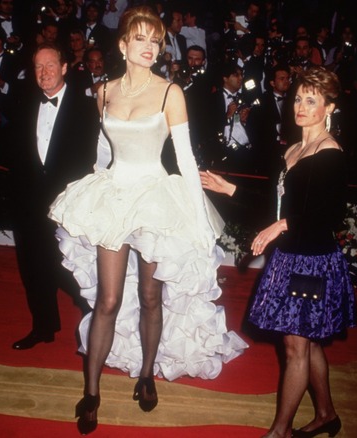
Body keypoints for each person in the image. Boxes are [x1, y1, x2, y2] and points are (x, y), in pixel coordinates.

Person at [47, 6, 248, 435]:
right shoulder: (103, 91)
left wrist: (198, 219)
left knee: (150, 295)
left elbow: (186, 160)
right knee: (108, 300)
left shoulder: (170, 92)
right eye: (140, 38)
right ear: (123, 44)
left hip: (156, 197)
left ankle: (146, 374)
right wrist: (95, 194)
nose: (149, 47)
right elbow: (104, 152)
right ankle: (91, 392)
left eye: (156, 41)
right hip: (116, 195)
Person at [201, 67, 357, 438]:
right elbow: (274, 206)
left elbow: (330, 216)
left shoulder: (330, 153)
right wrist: (229, 189)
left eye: (311, 101)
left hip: (313, 262)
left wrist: (282, 225)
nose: (301, 106)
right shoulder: (292, 149)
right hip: (288, 258)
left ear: (329, 108)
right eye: (298, 98)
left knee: (295, 348)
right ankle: (326, 414)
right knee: (307, 342)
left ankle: (280, 432)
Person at [5, 41, 99, 351]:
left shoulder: (87, 108)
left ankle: (95, 329)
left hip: (68, 204)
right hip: (29, 203)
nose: (43, 72)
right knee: (33, 268)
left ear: (64, 67)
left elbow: (90, 160)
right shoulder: (22, 103)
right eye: (38, 67)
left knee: (73, 269)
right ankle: (43, 327)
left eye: (50, 65)